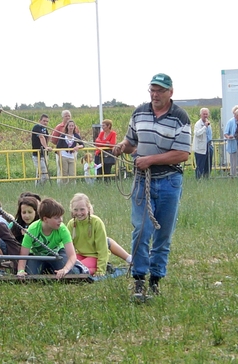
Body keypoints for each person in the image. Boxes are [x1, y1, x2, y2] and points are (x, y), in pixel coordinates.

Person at [112, 73, 191, 302]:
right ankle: (138, 279)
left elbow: (183, 154)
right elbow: (131, 142)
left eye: (160, 91)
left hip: (169, 181)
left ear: (170, 92)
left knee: (163, 234)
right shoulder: (139, 113)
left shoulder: (180, 117)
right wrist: (122, 146)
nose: (155, 95)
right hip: (141, 181)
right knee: (141, 230)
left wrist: (150, 160)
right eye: (152, 90)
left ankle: (156, 279)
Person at [16, 198, 87, 279]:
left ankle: (80, 267)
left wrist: (65, 269)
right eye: (56, 218)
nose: (61, 220)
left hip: (57, 253)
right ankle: (50, 268)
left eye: (61, 217)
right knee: (31, 274)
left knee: (72, 272)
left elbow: (72, 255)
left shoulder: (62, 229)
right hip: (38, 255)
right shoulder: (32, 229)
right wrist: (20, 271)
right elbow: (23, 255)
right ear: (45, 219)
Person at [66, 193, 132, 276]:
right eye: (76, 210)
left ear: (88, 208)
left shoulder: (97, 222)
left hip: (94, 256)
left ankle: (102, 268)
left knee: (76, 269)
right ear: (72, 210)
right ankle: (90, 269)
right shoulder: (71, 224)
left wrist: (101, 270)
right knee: (68, 266)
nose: (79, 213)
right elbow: (68, 245)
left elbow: (102, 249)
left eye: (82, 209)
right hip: (81, 255)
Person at [51, 110, 80, 184]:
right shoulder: (58, 127)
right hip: (61, 152)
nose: (67, 117)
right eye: (66, 116)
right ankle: (61, 185)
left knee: (72, 170)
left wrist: (77, 147)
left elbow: (79, 138)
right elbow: (53, 139)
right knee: (62, 170)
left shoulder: (75, 127)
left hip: (72, 152)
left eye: (69, 116)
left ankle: (72, 185)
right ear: (62, 117)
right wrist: (61, 146)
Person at [55, 120, 84, 184]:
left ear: (74, 127)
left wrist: (77, 147)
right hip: (64, 156)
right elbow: (57, 148)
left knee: (72, 174)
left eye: (72, 126)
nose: (71, 127)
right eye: (70, 126)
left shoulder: (76, 136)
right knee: (64, 174)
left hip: (72, 157)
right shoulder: (63, 136)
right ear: (67, 127)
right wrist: (60, 157)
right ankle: (64, 187)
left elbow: (82, 144)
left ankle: (72, 187)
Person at [31, 114, 52, 186]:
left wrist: (48, 142)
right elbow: (41, 137)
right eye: (44, 121)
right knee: (41, 172)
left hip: (44, 154)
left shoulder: (45, 129)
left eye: (47, 121)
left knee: (44, 173)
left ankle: (40, 187)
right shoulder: (37, 127)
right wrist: (46, 147)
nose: (45, 123)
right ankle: (38, 187)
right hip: (37, 154)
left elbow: (47, 137)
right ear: (40, 121)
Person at [192, 108, 214, 179]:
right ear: (200, 115)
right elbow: (197, 133)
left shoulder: (208, 123)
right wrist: (204, 127)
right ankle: (198, 179)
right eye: (204, 114)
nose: (205, 115)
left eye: (206, 114)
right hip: (200, 148)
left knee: (208, 164)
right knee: (200, 164)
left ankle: (206, 178)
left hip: (209, 146)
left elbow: (210, 135)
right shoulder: (198, 124)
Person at [223, 105, 238, 176]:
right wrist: (229, 137)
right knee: (233, 163)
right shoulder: (231, 122)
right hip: (233, 145)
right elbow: (225, 133)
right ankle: (233, 176)